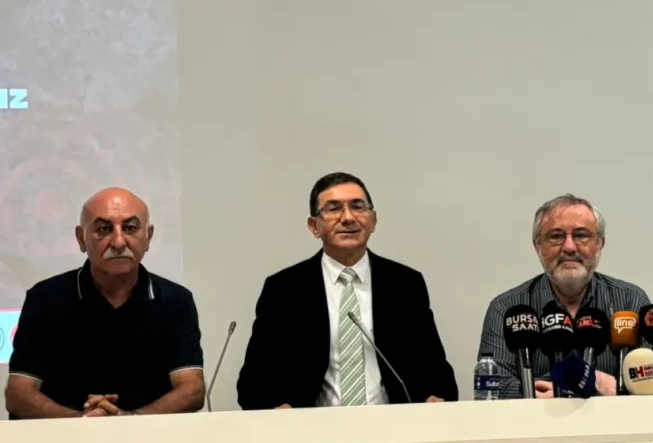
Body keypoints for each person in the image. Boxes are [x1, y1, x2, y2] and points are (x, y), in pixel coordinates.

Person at [236, 172, 457, 409]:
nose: (348, 218)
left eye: (358, 207)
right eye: (333, 209)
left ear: (373, 220)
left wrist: (435, 398)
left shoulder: (405, 284)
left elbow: (437, 373)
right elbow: (253, 382)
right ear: (314, 226)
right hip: (311, 426)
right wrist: (276, 409)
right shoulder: (284, 290)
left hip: (391, 424)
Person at [4, 187, 204, 419]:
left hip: (148, 436)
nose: (118, 242)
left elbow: (192, 390)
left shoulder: (175, 300)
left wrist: (129, 421)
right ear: (81, 238)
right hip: (63, 437)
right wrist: (82, 423)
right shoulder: (45, 298)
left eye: (130, 228)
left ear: (148, 237)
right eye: (104, 229)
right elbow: (18, 394)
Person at [477, 194, 649, 398]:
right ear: (537, 246)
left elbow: (650, 383)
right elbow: (493, 389)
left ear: (600, 244)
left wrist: (559, 388)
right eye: (556, 236)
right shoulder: (505, 308)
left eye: (581, 235)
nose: (569, 247)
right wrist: (588, 382)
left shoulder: (630, 301)